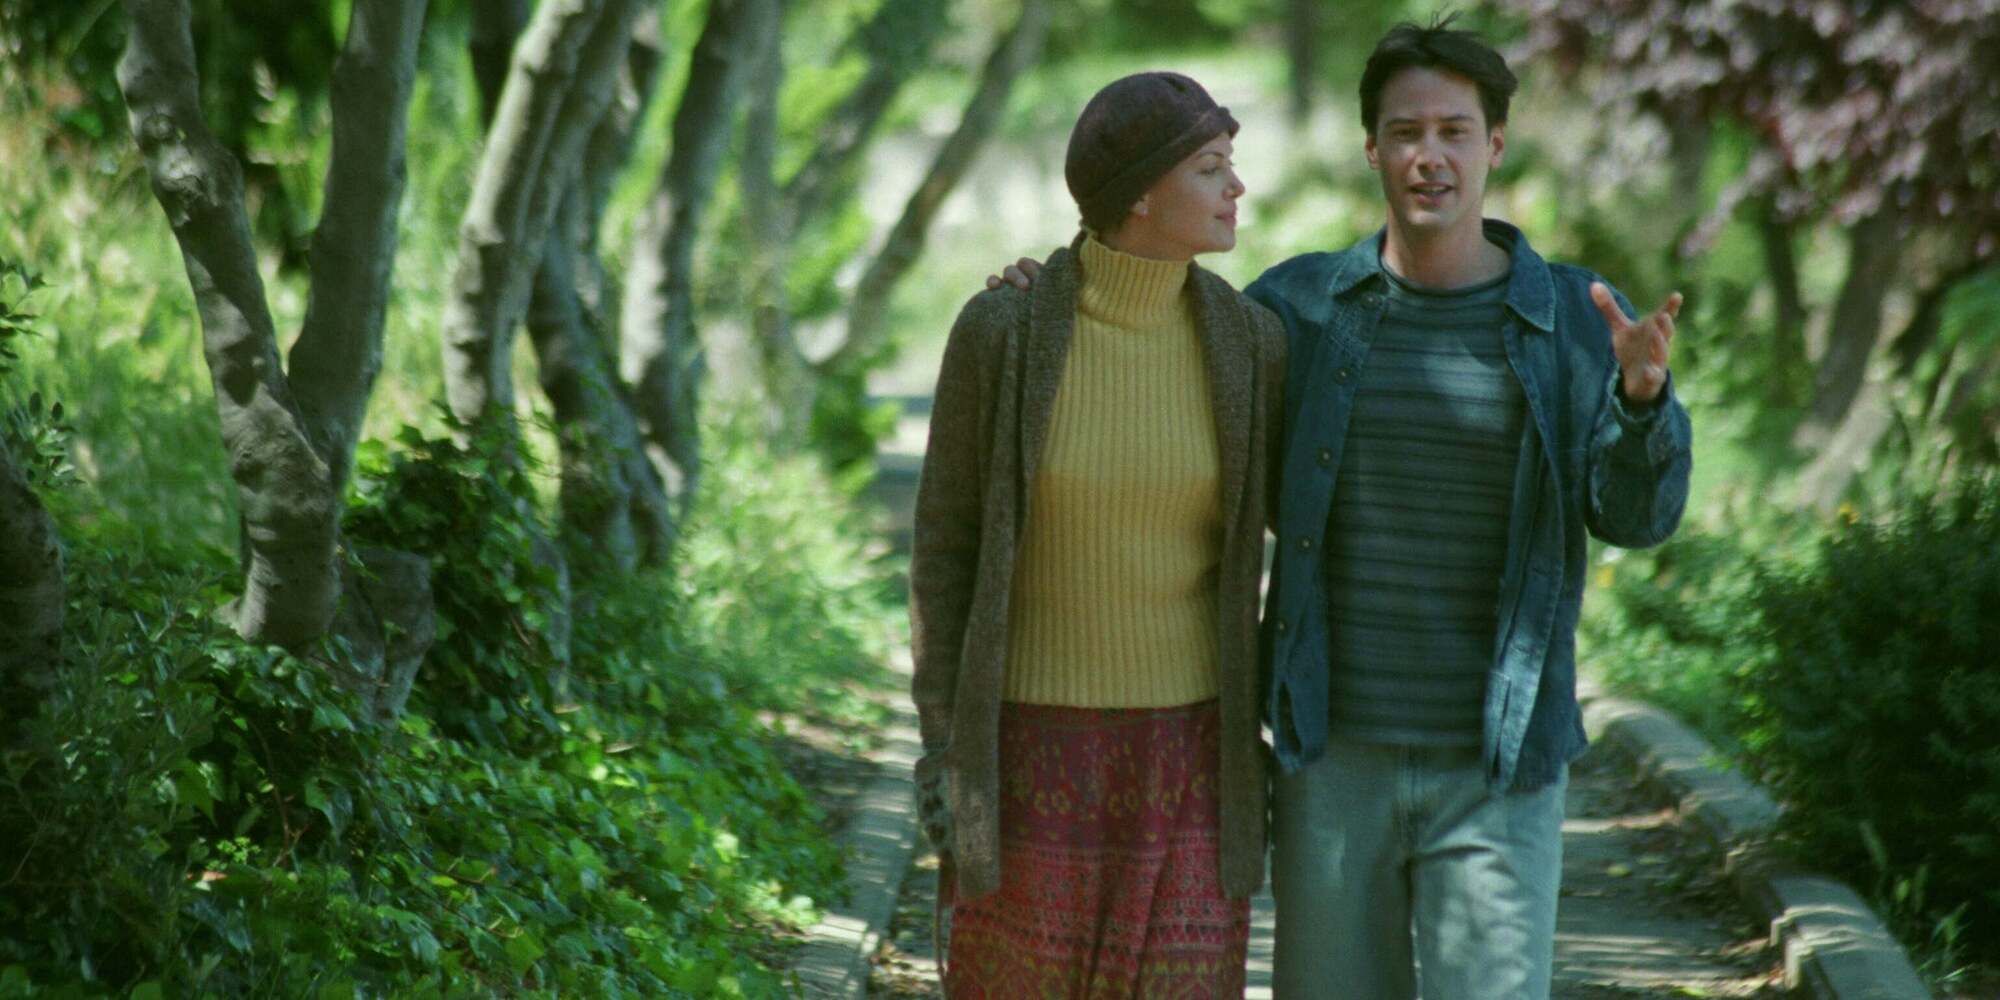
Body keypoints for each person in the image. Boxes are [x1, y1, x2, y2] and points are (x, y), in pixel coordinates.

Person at [987, 17, 1693, 999]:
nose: (1428, 156)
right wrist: (1043, 294)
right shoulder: (1296, 310)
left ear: (1494, 144)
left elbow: (1633, 517)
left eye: (1454, 131)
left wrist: (1640, 404)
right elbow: (1141, 318)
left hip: (1497, 770)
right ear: (1373, 149)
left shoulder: (1577, 320)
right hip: (1329, 760)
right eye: (1405, 132)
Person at [909, 71, 1287, 998]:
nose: (1237, 188)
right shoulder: (1003, 331)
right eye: (1212, 168)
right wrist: (944, 748)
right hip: (1027, 752)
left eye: (1231, 165)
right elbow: (945, 550)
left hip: (1195, 755)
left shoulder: (1251, 342)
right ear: (1142, 193)